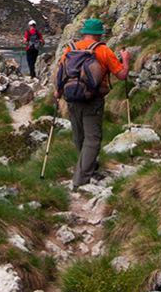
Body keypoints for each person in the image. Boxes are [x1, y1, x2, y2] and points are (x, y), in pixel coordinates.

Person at [54, 17, 130, 189]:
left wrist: (57, 91)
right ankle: (80, 180)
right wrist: (125, 60)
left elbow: (59, 71)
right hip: (93, 99)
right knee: (93, 138)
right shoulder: (104, 51)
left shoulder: (70, 49)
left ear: (85, 33)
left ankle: (88, 166)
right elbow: (121, 75)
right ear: (99, 35)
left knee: (79, 135)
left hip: (71, 97)